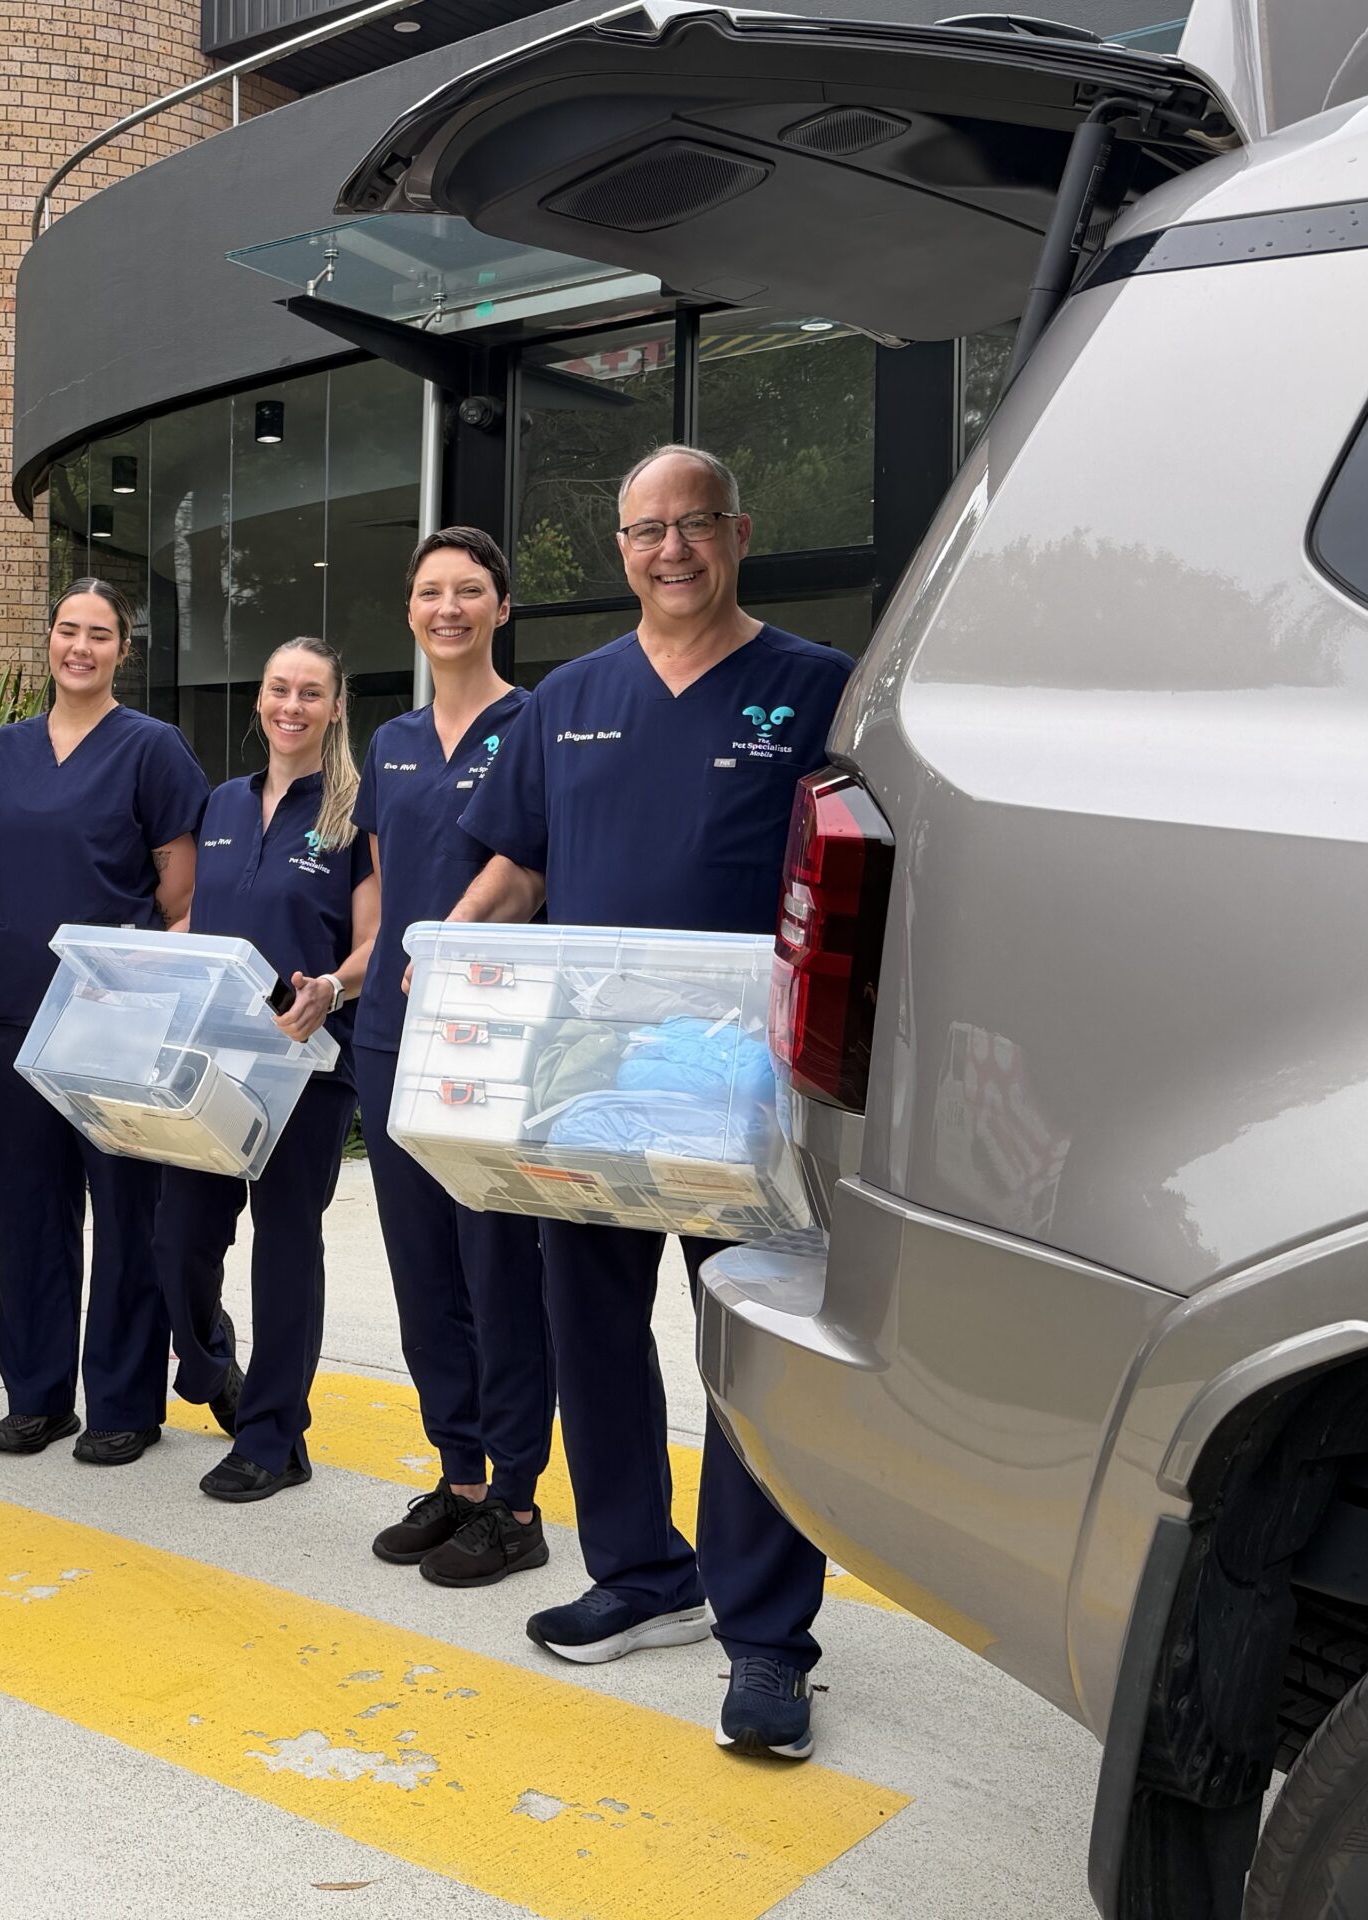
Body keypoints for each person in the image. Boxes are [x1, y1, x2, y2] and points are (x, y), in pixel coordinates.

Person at [452, 446, 854, 1760]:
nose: (671, 549)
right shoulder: (568, 699)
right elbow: (518, 868)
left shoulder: (817, 692)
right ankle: (639, 1574)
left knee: (748, 1349)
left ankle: (768, 1639)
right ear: (619, 548)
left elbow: (862, 880)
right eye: (644, 530)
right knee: (593, 1332)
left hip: (746, 1096)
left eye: (694, 524)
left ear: (738, 530)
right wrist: (444, 969)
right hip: (591, 1090)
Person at [351, 528, 555, 1588]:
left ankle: (519, 1496)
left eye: (468, 590)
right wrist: (348, 980)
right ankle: (460, 1472)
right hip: (391, 1038)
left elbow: (530, 868)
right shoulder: (386, 743)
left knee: (495, 1266)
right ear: (411, 610)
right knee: (423, 1267)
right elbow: (384, 890)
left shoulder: (535, 727)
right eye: (429, 591)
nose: (447, 608)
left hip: (490, 1034)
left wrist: (455, 952)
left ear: (501, 608)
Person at [0, 579, 207, 1466]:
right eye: (68, 630)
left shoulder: (153, 750)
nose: (80, 647)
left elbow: (181, 901)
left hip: (115, 1016)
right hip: (13, 1013)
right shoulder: (3, 751)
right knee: (26, 1215)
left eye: (99, 635)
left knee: (124, 1209)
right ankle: (36, 1396)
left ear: (122, 650)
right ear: (49, 641)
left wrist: (134, 983)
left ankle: (122, 1402)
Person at [157, 637, 379, 1503]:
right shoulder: (219, 804)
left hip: (307, 1066)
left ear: (334, 708)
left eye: (311, 693)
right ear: (259, 700)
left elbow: (372, 940)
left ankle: (275, 1438)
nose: (293, 705)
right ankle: (213, 1368)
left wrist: (330, 985)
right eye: (279, 688)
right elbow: (201, 920)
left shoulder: (353, 816)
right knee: (178, 1244)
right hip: (214, 1061)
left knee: (286, 1248)